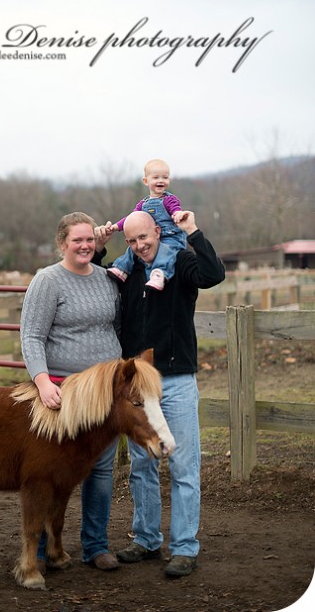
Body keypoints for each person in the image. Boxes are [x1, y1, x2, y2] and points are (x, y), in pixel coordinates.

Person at [94, 209, 225, 577]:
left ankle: (184, 547)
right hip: (138, 385)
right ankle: (147, 540)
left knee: (183, 465)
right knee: (141, 466)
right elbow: (95, 283)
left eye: (144, 238)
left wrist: (194, 232)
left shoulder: (180, 260)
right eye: (132, 241)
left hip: (176, 379)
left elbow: (213, 274)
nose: (139, 246)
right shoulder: (128, 271)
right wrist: (101, 252)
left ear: (158, 231)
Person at [20, 211, 122, 572]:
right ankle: (43, 546)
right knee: (52, 471)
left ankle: (95, 544)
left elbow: (115, 326)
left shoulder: (107, 279)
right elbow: (32, 335)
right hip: (62, 394)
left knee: (101, 471)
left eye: (88, 240)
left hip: (104, 394)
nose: (83, 245)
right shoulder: (48, 281)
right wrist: (42, 380)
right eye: (76, 240)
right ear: (62, 243)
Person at [107, 158, 186, 291]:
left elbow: (175, 209)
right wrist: (116, 226)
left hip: (170, 236)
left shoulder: (169, 199)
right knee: (132, 249)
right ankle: (122, 269)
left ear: (169, 180)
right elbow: (131, 218)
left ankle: (159, 274)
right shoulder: (143, 204)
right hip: (150, 237)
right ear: (146, 181)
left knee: (166, 251)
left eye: (165, 177)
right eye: (156, 177)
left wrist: (178, 214)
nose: (160, 180)